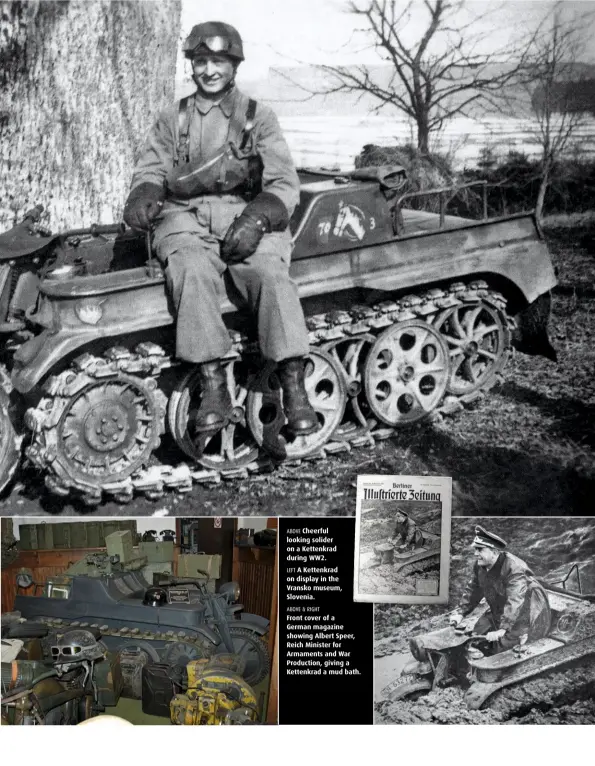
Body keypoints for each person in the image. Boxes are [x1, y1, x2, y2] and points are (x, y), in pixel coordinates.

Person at [122, 21, 317, 447]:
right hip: (185, 216)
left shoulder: (257, 117)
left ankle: (294, 385)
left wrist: (259, 219)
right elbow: (152, 167)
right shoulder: (172, 118)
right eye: (200, 61)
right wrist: (145, 193)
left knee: (269, 274)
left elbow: (283, 182)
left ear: (234, 65)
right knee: (189, 268)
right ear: (191, 65)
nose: (209, 70)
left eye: (218, 61)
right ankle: (213, 385)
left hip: (243, 214)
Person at [449, 526, 551, 653]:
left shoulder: (514, 568)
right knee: (476, 634)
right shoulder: (480, 565)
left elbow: (515, 599)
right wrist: (460, 612)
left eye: (480, 550)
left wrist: (503, 629)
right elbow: (473, 589)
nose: (476, 554)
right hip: (500, 607)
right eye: (475, 549)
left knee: (500, 649)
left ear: (495, 552)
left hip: (525, 612)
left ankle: (521, 637)